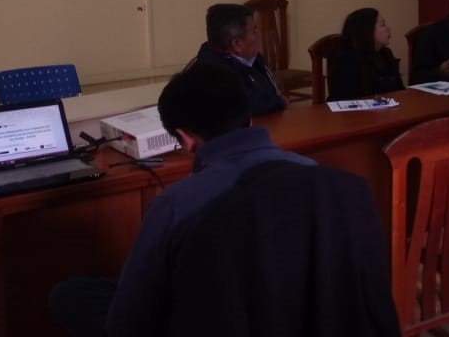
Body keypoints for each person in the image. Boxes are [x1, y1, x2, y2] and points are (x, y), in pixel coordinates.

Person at [50, 62, 398, 336]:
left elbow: (129, 320)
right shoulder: (322, 178)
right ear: (249, 117)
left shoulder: (178, 205)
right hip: (303, 317)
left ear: (185, 138)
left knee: (73, 295)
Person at [191, 3, 286, 116]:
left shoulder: (253, 59)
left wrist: (277, 101)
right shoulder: (208, 72)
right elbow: (243, 108)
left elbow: (272, 94)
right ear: (237, 44)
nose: (259, 34)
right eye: (254, 31)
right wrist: (280, 102)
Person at [328, 8, 404, 101]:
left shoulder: (386, 54)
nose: (388, 29)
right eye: (383, 25)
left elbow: (400, 91)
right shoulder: (346, 59)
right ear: (367, 30)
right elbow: (345, 100)